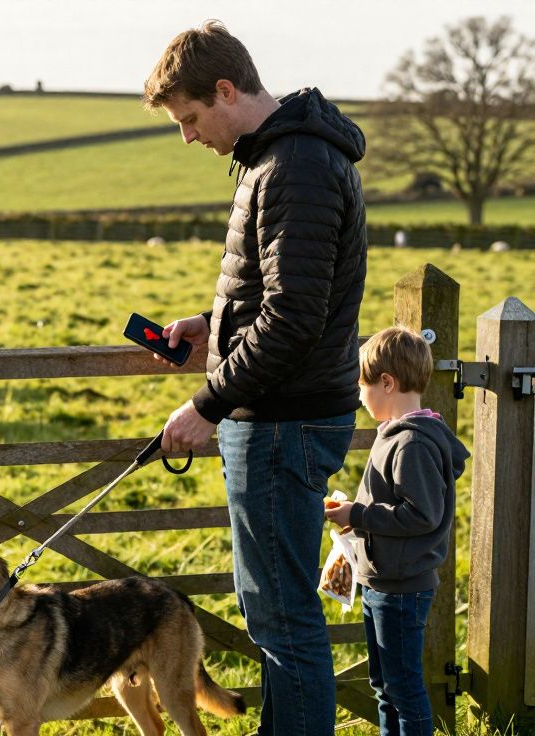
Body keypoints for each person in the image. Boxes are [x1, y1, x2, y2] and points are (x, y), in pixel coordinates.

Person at [142, 20, 368, 735]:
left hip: (281, 419)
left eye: (190, 118)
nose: (187, 137)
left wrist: (208, 403)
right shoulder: (280, 157)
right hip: (283, 413)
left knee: (281, 614)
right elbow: (289, 295)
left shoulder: (295, 164)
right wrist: (212, 326)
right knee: (275, 607)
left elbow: (296, 317)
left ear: (227, 89)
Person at [324, 327, 468, 736]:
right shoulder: (396, 434)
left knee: (403, 689)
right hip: (381, 580)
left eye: (363, 386)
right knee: (384, 686)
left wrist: (361, 514)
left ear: (387, 382)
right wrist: (356, 516)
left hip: (401, 587)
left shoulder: (412, 444)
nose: (359, 395)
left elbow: (421, 515)